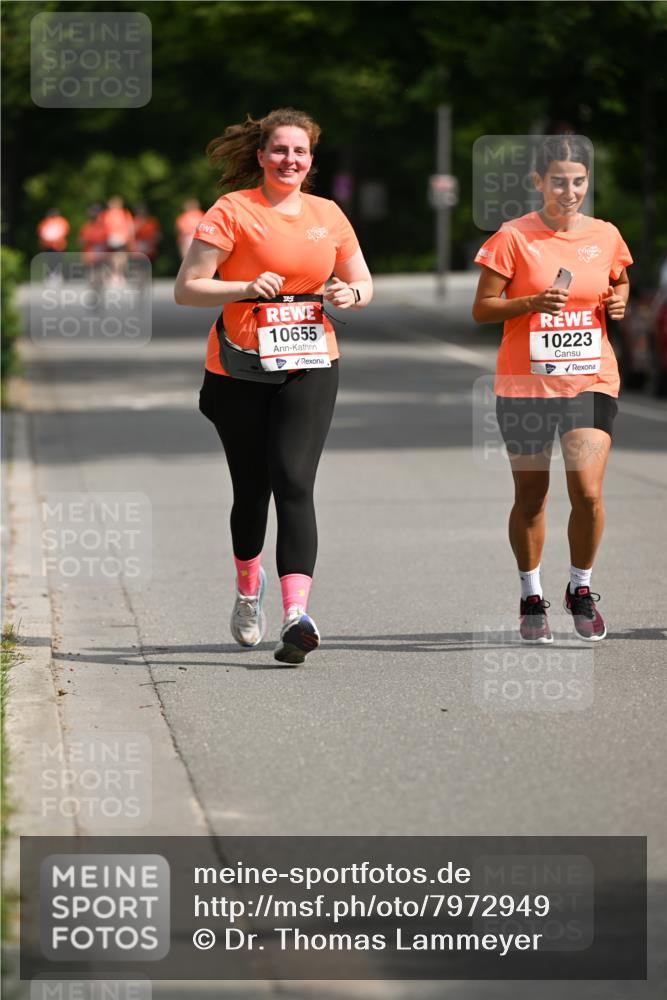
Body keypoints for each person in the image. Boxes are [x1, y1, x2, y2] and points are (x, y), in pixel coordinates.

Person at [174, 108, 372, 663]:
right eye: (280, 150)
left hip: (310, 359)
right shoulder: (232, 211)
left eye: (301, 152)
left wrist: (350, 296)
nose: (291, 160)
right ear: (261, 157)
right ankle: (246, 589)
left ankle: (297, 615)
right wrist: (242, 287)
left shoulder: (328, 214)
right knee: (251, 488)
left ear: (311, 161)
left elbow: (363, 281)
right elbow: (188, 289)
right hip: (238, 367)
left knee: (293, 480)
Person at [472, 135, 631, 643]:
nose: (570, 190)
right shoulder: (513, 237)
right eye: (558, 181)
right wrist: (530, 303)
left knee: (586, 491)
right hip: (525, 386)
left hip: (591, 379)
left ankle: (580, 589)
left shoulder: (605, 234)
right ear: (538, 182)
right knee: (533, 498)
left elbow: (619, 280)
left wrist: (619, 303)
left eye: (579, 181)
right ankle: (531, 595)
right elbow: (482, 308)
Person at [37, 208, 69, 281]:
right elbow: (41, 232)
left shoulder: (61, 221)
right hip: (48, 245)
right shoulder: (46, 222)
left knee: (58, 260)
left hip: (59, 245)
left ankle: (58, 275)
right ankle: (50, 275)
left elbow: (64, 231)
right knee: (49, 260)